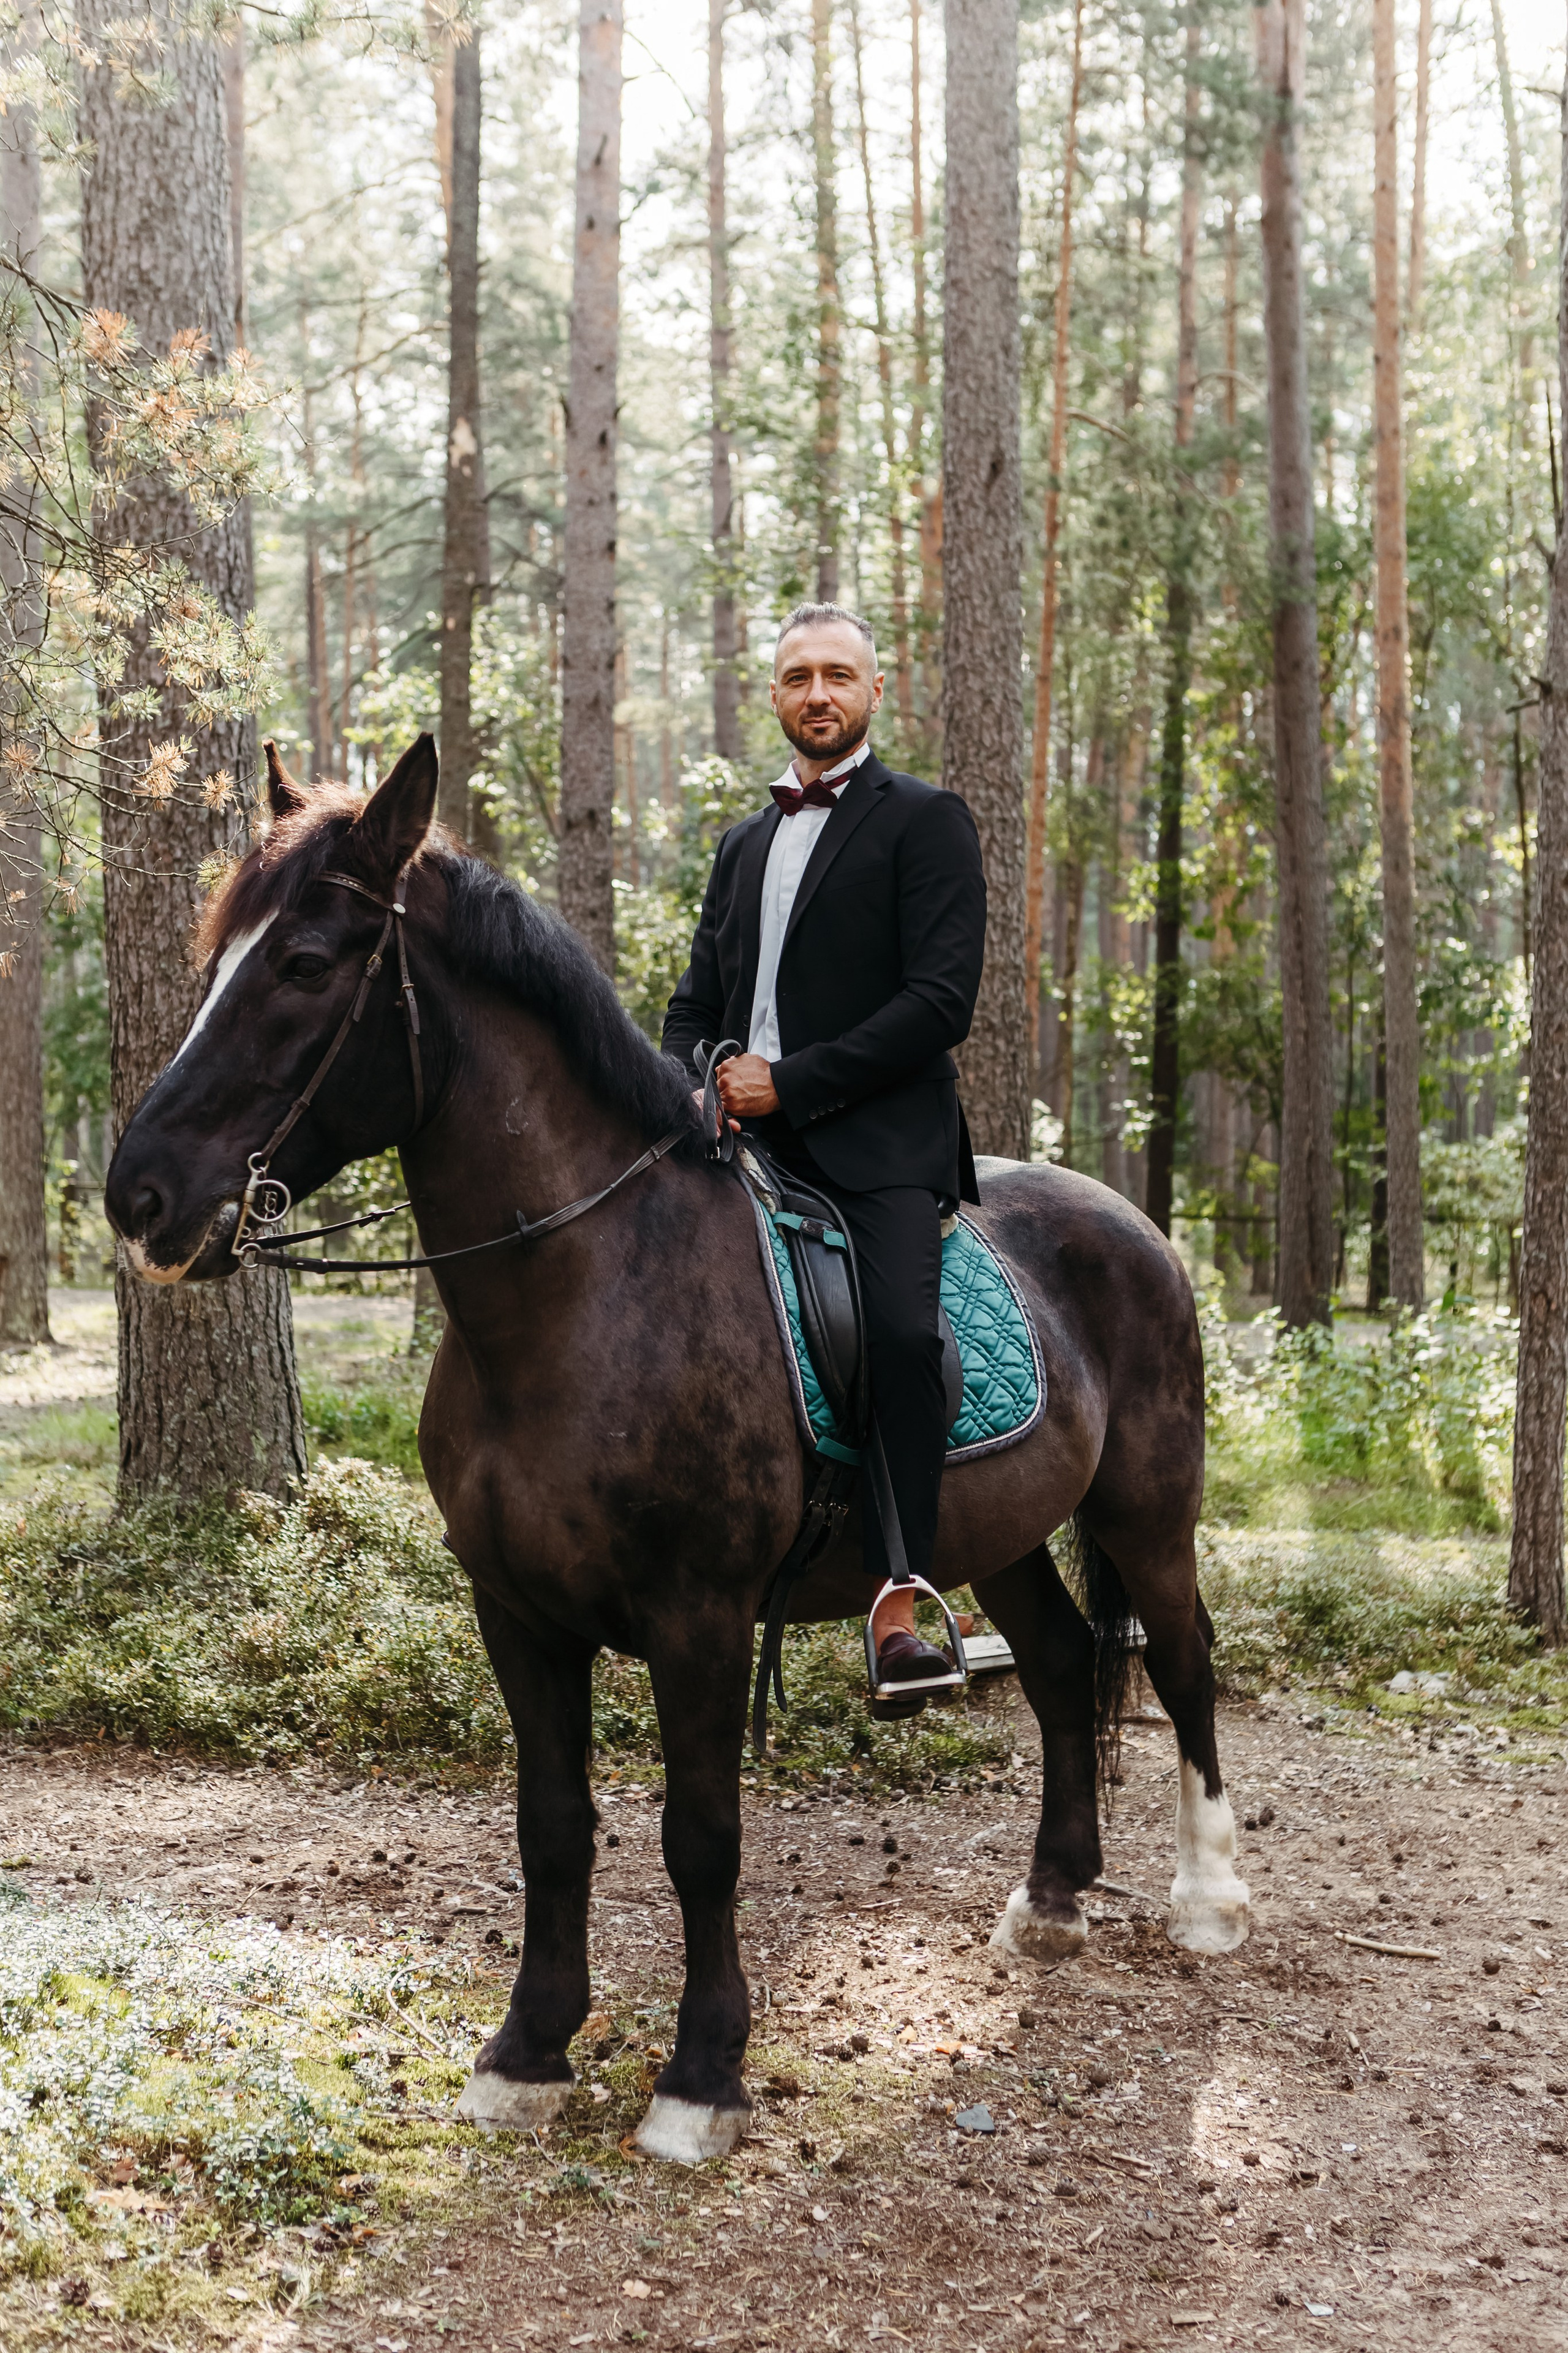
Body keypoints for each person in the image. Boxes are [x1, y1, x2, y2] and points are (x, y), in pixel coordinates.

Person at [662, 602, 987, 1715]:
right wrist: (697, 1079)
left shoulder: (927, 820)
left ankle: (904, 1600)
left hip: (879, 1141)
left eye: (838, 675)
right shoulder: (742, 843)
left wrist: (788, 1082)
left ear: (874, 692)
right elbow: (695, 1003)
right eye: (798, 675)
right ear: (773, 694)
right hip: (740, 1137)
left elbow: (941, 1003)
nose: (818, 693)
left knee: (897, 1332)